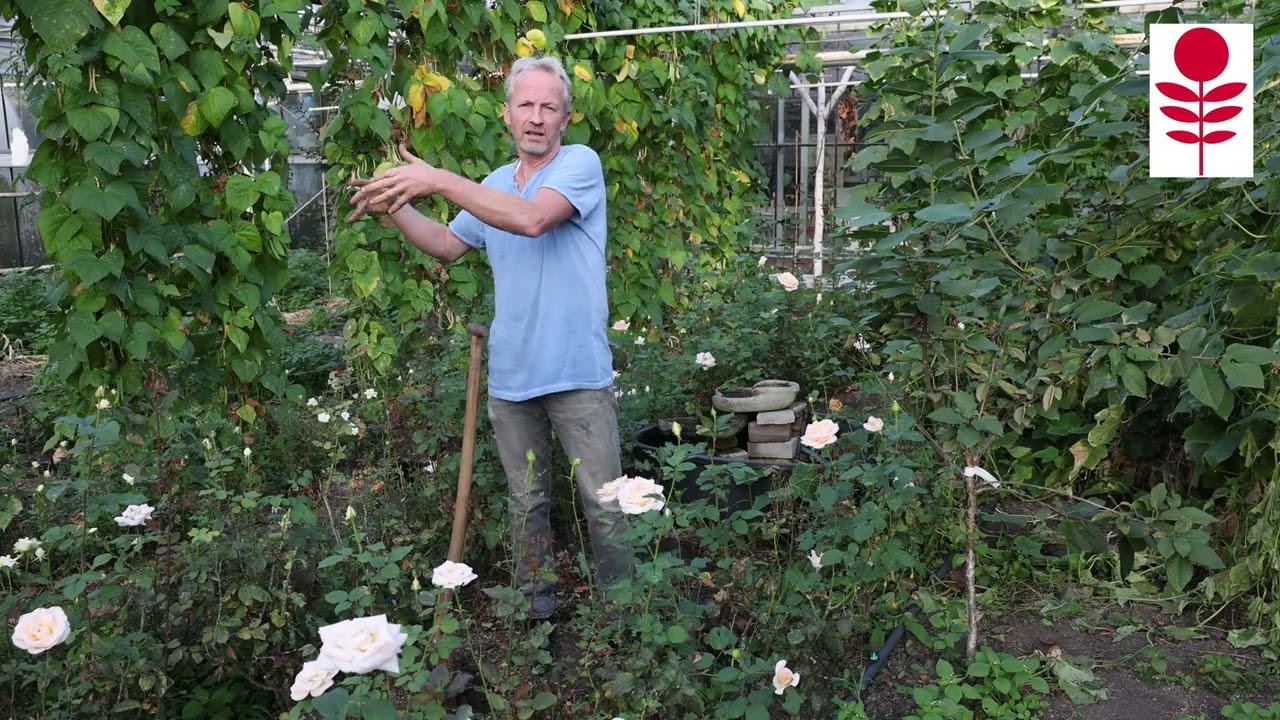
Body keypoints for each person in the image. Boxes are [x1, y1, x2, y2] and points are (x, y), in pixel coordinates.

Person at [349, 56, 627, 620]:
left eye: (549, 106)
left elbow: (530, 220)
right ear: (506, 115)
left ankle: (628, 620)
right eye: (525, 105)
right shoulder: (495, 185)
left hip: (577, 372)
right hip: (513, 377)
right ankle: (534, 614)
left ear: (565, 118)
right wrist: (394, 207)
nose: (536, 117)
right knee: (527, 504)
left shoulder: (580, 165)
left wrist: (439, 180)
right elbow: (449, 245)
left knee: (607, 505)